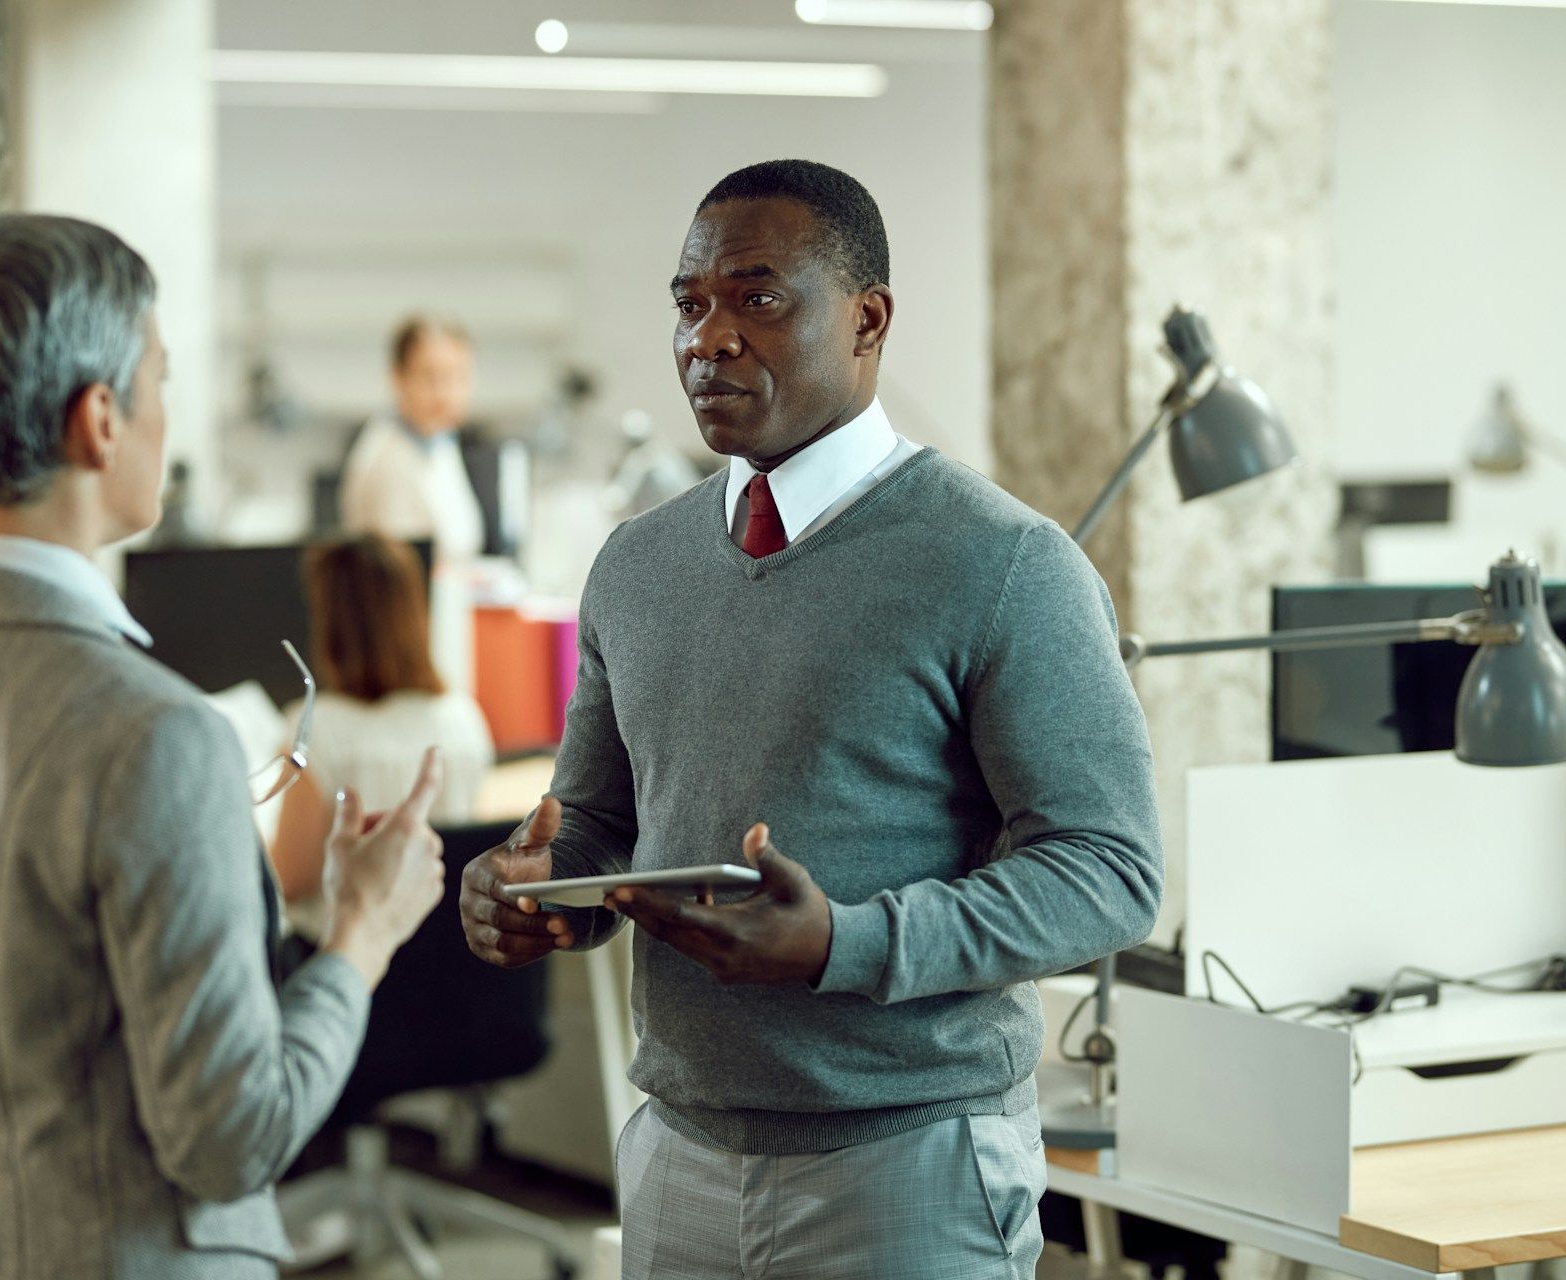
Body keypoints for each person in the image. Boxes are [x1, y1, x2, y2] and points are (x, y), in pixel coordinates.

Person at [459, 160, 1163, 1278]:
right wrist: (533, 891)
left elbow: (1110, 868)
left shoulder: (1004, 564)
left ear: (867, 318)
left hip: (908, 1166)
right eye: (690, 303)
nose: (710, 336)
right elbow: (594, 823)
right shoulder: (637, 565)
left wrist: (846, 942)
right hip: (677, 1155)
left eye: (758, 296)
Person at [0, 213, 447, 1280]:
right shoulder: (158, 735)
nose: (169, 414)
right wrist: (361, 930)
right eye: (160, 380)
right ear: (100, 419)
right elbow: (230, 1138)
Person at [269, 534, 495, 904]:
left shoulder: (314, 730)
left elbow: (290, 881)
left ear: (331, 624)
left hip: (346, 952)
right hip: (449, 953)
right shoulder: (464, 717)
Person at [338, 314, 486, 562]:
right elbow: (403, 571)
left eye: (457, 376)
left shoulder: (438, 441)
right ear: (398, 378)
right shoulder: (386, 460)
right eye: (430, 377)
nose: (445, 393)